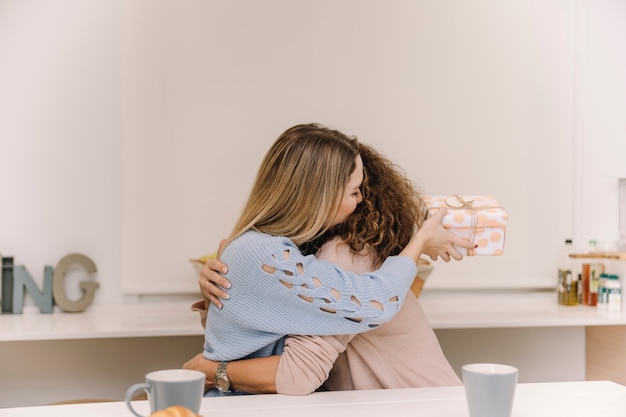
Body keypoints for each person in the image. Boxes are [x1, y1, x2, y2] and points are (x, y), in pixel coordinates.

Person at [190, 123, 472, 396]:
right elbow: (376, 302)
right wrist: (420, 241)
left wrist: (214, 370)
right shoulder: (275, 253)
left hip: (421, 405)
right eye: (353, 191)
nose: (361, 199)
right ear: (319, 196)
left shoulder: (337, 252)